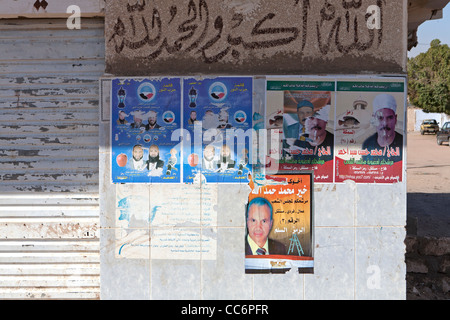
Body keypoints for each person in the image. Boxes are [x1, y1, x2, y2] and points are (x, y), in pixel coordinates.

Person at [362, 94, 403, 163]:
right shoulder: (367, 144)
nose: (385, 123)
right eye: (380, 118)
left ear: (395, 119)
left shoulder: (402, 142)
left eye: (389, 118)